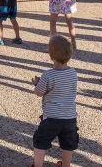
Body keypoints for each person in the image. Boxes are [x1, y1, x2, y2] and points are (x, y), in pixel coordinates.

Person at [31, 35, 78, 167]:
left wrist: (37, 84)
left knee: (40, 142)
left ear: (51, 55)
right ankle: (66, 165)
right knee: (68, 145)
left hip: (51, 117)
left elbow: (39, 93)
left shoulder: (48, 75)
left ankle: (38, 165)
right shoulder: (73, 73)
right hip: (70, 117)